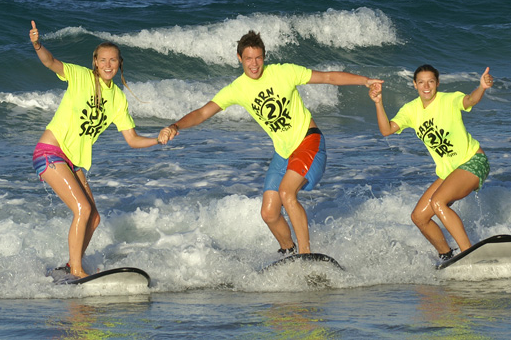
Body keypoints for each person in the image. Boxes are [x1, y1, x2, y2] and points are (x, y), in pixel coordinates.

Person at [158, 30, 383, 255]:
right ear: (239, 59)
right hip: (283, 152)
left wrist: (365, 81)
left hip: (308, 141)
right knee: (269, 213)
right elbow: (203, 112)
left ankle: (306, 255)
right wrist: (175, 126)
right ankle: (289, 252)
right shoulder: (238, 88)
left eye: (258, 58)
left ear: (264, 57)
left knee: (286, 193)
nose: (254, 64)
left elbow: (328, 77)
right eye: (248, 59)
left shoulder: (284, 72)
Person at [29, 20, 161, 278]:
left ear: (119, 63)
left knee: (95, 218)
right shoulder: (80, 76)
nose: (108, 65)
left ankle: (70, 265)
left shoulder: (118, 99)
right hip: (50, 152)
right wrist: (37, 44)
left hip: (73, 161)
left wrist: (159, 139)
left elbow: (132, 139)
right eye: (103, 60)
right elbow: (50, 62)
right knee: (84, 210)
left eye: (113, 60)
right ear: (95, 62)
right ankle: (76, 270)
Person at [367, 64, 493, 261]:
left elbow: (470, 100)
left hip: (474, 161)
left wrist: (482, 88)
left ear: (437, 83)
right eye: (421, 82)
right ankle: (446, 255)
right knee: (419, 217)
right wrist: (377, 102)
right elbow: (386, 130)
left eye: (431, 81)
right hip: (450, 171)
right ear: (415, 85)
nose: (426, 86)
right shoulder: (411, 110)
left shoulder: (448, 100)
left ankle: (468, 252)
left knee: (438, 202)